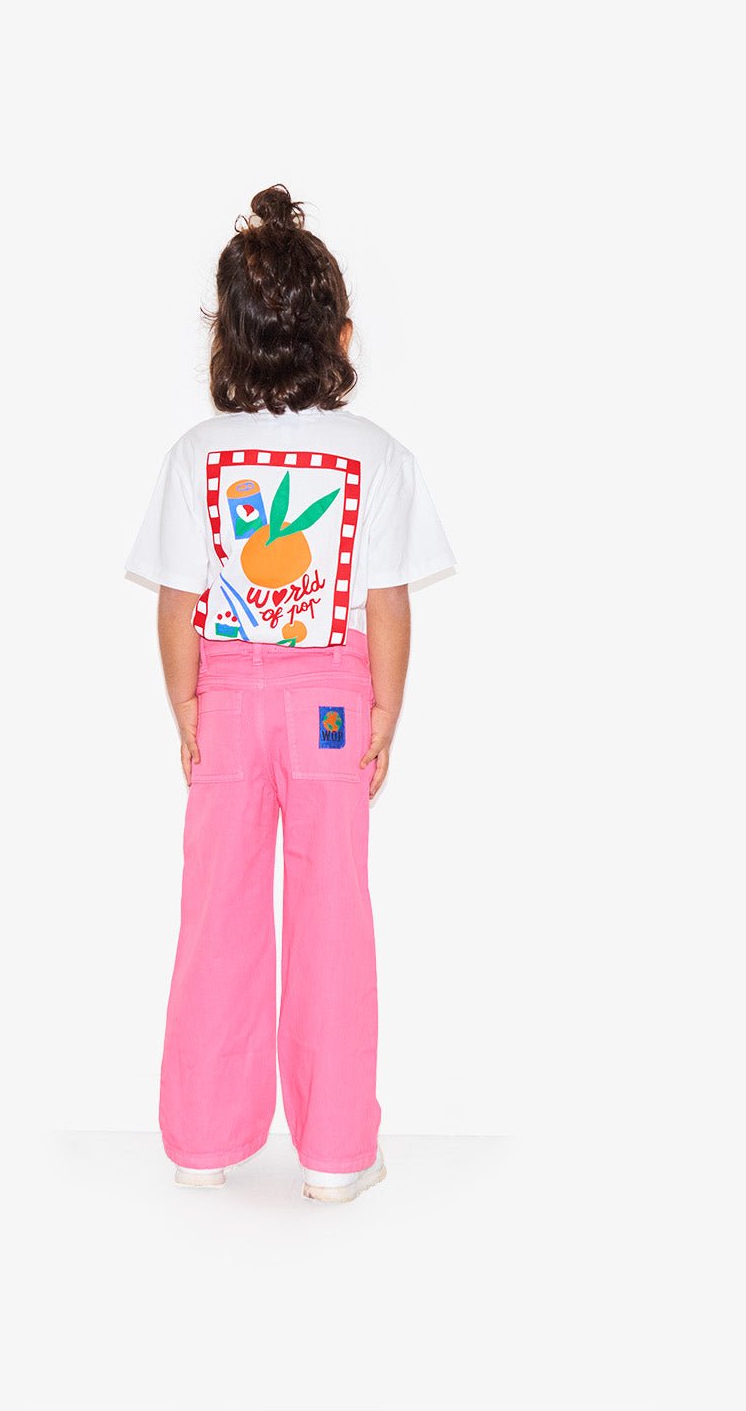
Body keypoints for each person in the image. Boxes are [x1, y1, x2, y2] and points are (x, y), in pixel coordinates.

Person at [124, 185, 456, 1204]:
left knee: (215, 911)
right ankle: (335, 1155)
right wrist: (382, 716)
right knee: (331, 915)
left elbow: (178, 600)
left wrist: (189, 709)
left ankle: (201, 1142)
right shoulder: (376, 455)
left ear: (223, 339)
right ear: (341, 336)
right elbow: (388, 602)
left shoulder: (198, 453)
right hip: (331, 705)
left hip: (225, 697)